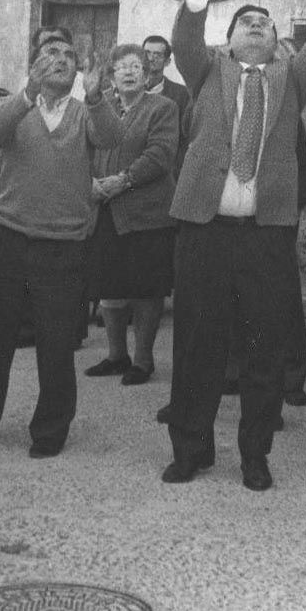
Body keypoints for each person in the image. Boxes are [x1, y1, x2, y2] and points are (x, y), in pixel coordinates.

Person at [159, 0, 306, 492]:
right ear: (230, 40)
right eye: (245, 22)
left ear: (276, 40)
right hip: (205, 231)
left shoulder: (292, 80)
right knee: (196, 345)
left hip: (265, 235)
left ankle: (255, 454)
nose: (256, 26)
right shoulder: (207, 71)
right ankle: (191, 449)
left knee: (264, 347)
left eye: (265, 22)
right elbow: (185, 37)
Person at [0, 34, 122, 457]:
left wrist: (98, 94)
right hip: (9, 238)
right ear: (33, 65)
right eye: (51, 54)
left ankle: (50, 429)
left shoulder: (86, 112)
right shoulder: (15, 108)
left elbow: (112, 137)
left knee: (56, 341)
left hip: (63, 245)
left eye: (68, 56)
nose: (61, 61)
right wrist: (27, 91)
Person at [83, 43, 179, 385]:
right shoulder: (99, 106)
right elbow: (86, 147)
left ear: (147, 73)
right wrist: (90, 183)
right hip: (106, 211)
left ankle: (143, 360)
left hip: (147, 214)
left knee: (145, 289)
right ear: (111, 74)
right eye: (121, 66)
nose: (128, 71)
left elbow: (160, 155)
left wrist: (122, 181)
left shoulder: (162, 108)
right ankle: (115, 356)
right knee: (111, 287)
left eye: (135, 66)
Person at [141, 33, 190, 118]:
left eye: (157, 55)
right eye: (147, 53)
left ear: (167, 61)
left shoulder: (181, 95)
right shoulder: (127, 89)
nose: (151, 58)